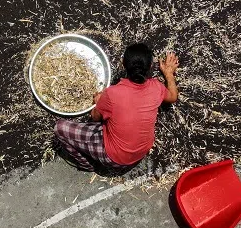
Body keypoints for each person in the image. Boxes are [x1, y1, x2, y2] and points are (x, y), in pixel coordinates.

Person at [53, 43, 179, 173]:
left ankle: (86, 165)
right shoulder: (156, 87)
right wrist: (169, 73)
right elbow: (173, 97)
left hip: (114, 158)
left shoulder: (112, 93)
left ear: (123, 63)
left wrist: (98, 102)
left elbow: (95, 117)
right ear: (150, 66)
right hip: (141, 152)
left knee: (59, 128)